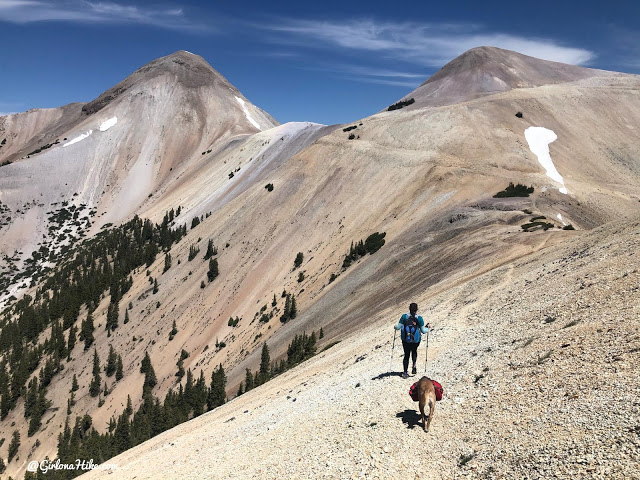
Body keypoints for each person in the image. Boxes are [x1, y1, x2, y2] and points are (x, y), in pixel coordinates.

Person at [394, 302, 430, 378]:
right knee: (414, 351)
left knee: (406, 354)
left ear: (409, 309)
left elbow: (398, 327)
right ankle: (414, 366)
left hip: (405, 339)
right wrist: (428, 328)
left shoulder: (404, 317)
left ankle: (405, 372)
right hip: (415, 340)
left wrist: (395, 327)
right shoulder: (419, 318)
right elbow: (423, 331)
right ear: (416, 309)